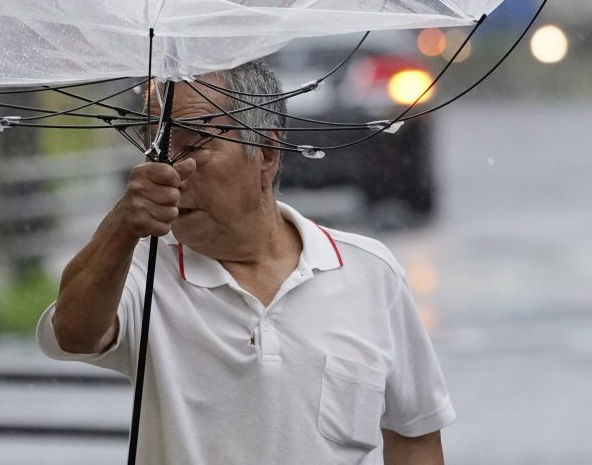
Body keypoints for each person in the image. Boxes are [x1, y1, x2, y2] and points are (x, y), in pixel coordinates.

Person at [36, 59, 454, 464]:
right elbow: (74, 333)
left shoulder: (368, 274)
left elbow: (412, 432)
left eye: (196, 141)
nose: (171, 169)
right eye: (158, 144)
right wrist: (123, 225)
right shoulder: (142, 271)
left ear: (267, 152)